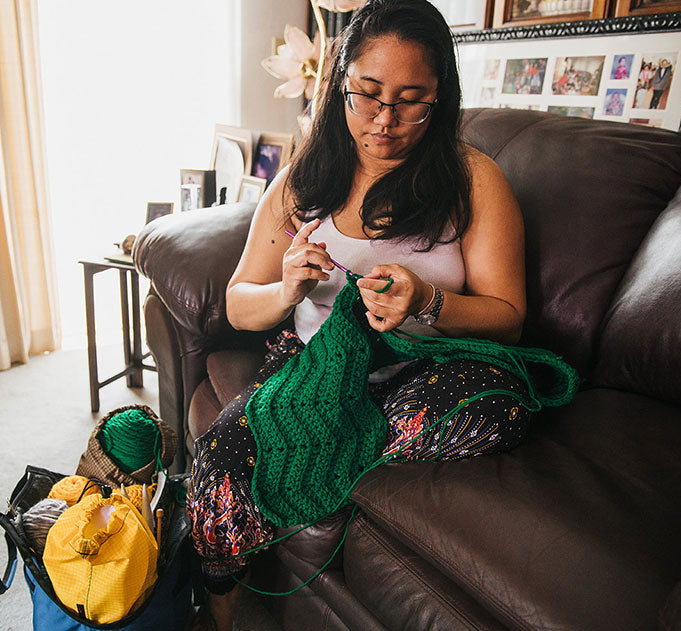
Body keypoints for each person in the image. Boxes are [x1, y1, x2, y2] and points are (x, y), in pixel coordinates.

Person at [187, 1, 529, 628]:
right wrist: (287, 289)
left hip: (421, 369)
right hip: (314, 365)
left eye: (410, 100)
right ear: (339, 83)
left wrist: (427, 301)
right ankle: (220, 609)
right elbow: (241, 302)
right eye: (367, 95)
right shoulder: (302, 181)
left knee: (496, 401)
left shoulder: (473, 179)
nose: (384, 120)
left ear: (440, 97)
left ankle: (329, 437)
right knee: (219, 458)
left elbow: (508, 317)